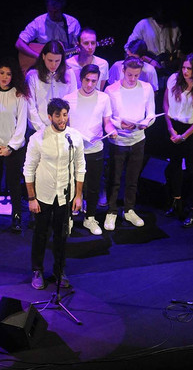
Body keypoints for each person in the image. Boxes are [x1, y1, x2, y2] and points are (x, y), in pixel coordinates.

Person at [23, 98, 85, 290]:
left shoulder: (74, 137)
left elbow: (80, 166)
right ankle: (37, 270)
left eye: (65, 114)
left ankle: (59, 271)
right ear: (50, 117)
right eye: (58, 115)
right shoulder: (38, 138)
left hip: (65, 195)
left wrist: (78, 195)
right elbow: (28, 169)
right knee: (41, 234)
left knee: (62, 234)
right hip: (43, 195)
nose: (62, 119)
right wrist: (31, 198)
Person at [104, 57, 156, 231]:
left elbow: (151, 114)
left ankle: (129, 210)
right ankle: (111, 211)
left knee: (133, 179)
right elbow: (108, 117)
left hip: (138, 139)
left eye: (136, 75)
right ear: (123, 71)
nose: (132, 78)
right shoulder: (112, 90)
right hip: (118, 140)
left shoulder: (147, 88)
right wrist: (120, 125)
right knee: (115, 178)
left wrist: (146, 123)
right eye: (129, 74)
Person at [64, 64, 116, 235]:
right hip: (74, 150)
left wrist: (111, 131)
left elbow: (107, 122)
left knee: (93, 186)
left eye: (94, 81)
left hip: (95, 148)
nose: (89, 84)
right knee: (71, 185)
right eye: (87, 80)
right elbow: (64, 125)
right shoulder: (69, 98)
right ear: (81, 78)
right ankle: (69, 218)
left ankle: (90, 218)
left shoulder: (103, 98)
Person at [163, 53, 193, 227]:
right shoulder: (173, 79)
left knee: (192, 170)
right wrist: (170, 129)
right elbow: (166, 105)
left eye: (189, 68)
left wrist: (184, 136)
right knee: (174, 166)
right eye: (183, 67)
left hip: (192, 131)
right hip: (174, 127)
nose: (185, 71)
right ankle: (176, 202)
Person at [0, 57, 29, 232]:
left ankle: (16, 217)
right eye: (2, 73)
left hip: (13, 150)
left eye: (8, 74)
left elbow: (21, 125)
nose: (4, 77)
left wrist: (11, 147)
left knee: (14, 184)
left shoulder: (19, 94)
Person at [15, 0, 81, 73]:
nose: (53, 14)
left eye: (56, 11)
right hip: (42, 67)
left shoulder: (73, 23)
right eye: (50, 11)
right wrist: (38, 56)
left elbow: (76, 47)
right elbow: (19, 43)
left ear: (62, 9)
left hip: (64, 65)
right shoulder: (38, 22)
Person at [26, 41, 78, 133]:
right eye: (50, 60)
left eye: (57, 61)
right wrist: (44, 130)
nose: (53, 65)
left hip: (62, 128)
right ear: (43, 57)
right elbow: (30, 107)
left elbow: (73, 102)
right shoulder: (32, 76)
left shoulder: (69, 73)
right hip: (38, 130)